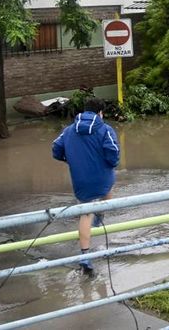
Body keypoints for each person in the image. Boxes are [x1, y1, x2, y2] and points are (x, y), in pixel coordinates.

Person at [52, 97, 120, 273]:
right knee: (110, 184)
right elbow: (113, 152)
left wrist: (70, 160)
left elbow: (56, 149)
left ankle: (85, 256)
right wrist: (110, 164)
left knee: (85, 212)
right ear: (100, 113)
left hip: (80, 179)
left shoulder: (68, 130)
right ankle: (101, 216)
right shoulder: (105, 129)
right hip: (103, 177)